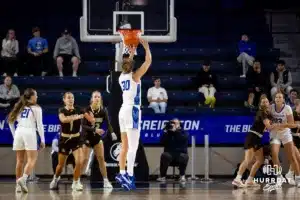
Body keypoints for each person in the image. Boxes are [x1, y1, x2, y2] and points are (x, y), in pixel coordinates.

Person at [115, 38, 152, 190]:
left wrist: (130, 53)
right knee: (133, 146)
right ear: (132, 66)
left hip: (122, 111)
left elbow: (127, 65)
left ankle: (121, 172)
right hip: (132, 111)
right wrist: (146, 47)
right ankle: (129, 175)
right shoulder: (135, 76)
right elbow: (148, 61)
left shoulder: (121, 77)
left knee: (124, 146)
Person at [7, 88, 45, 193]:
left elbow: (10, 122)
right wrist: (42, 139)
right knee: (32, 159)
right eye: (36, 95)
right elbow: (40, 125)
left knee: (19, 161)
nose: (37, 97)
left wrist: (15, 136)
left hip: (19, 132)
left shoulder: (19, 106)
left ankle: (18, 185)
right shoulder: (37, 108)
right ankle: (23, 179)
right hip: (29, 132)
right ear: (31, 97)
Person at [232, 96, 273, 188]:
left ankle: (250, 180)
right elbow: (269, 126)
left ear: (269, 103)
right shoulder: (261, 112)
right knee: (248, 160)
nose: (265, 103)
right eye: (263, 102)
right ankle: (237, 179)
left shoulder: (268, 114)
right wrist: (284, 126)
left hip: (258, 139)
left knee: (260, 160)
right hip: (252, 137)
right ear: (260, 104)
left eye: (266, 101)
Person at [264, 92, 300, 190]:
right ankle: (279, 177)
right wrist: (270, 125)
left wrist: (282, 125)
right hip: (275, 134)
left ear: (283, 99)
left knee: (292, 157)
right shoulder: (271, 108)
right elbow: (266, 120)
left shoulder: (287, 108)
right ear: (274, 99)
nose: (278, 98)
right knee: (274, 155)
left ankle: (297, 178)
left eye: (280, 97)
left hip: (285, 134)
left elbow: (292, 124)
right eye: (276, 97)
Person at [81, 91, 117, 188]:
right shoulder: (87, 110)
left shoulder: (103, 110)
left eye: (98, 97)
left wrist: (112, 132)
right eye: (95, 97)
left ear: (100, 99)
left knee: (101, 159)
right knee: (84, 159)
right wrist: (95, 129)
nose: (97, 98)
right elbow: (83, 126)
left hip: (97, 138)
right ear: (92, 99)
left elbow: (108, 123)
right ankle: (77, 180)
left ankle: (106, 181)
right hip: (87, 138)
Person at [50, 92, 85, 191]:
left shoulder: (79, 109)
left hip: (76, 139)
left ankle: (75, 182)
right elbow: (63, 120)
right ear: (64, 100)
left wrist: (90, 117)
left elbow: (87, 115)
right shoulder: (61, 110)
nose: (71, 99)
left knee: (79, 161)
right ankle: (55, 178)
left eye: (72, 97)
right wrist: (77, 117)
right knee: (60, 165)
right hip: (64, 140)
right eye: (68, 98)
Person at [285, 99, 300, 185]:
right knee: (297, 158)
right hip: (293, 138)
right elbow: (294, 126)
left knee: (297, 158)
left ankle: (290, 173)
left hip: (297, 138)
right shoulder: (293, 113)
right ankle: (293, 175)